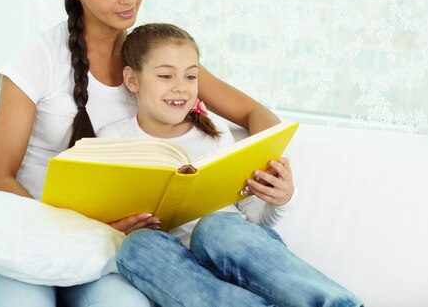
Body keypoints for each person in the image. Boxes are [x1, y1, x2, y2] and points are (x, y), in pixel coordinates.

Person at [0, 0, 283, 307]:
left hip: (109, 247)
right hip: (28, 236)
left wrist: (272, 169)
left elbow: (257, 115)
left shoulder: (157, 61)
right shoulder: (38, 57)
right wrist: (80, 226)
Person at [98, 23, 364, 307]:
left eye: (191, 76)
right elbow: (96, 213)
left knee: (216, 228)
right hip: (182, 275)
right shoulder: (111, 139)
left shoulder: (214, 132)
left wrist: (281, 200)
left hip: (235, 255)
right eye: (165, 75)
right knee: (136, 247)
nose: (180, 87)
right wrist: (113, 227)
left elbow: (252, 217)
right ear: (132, 80)